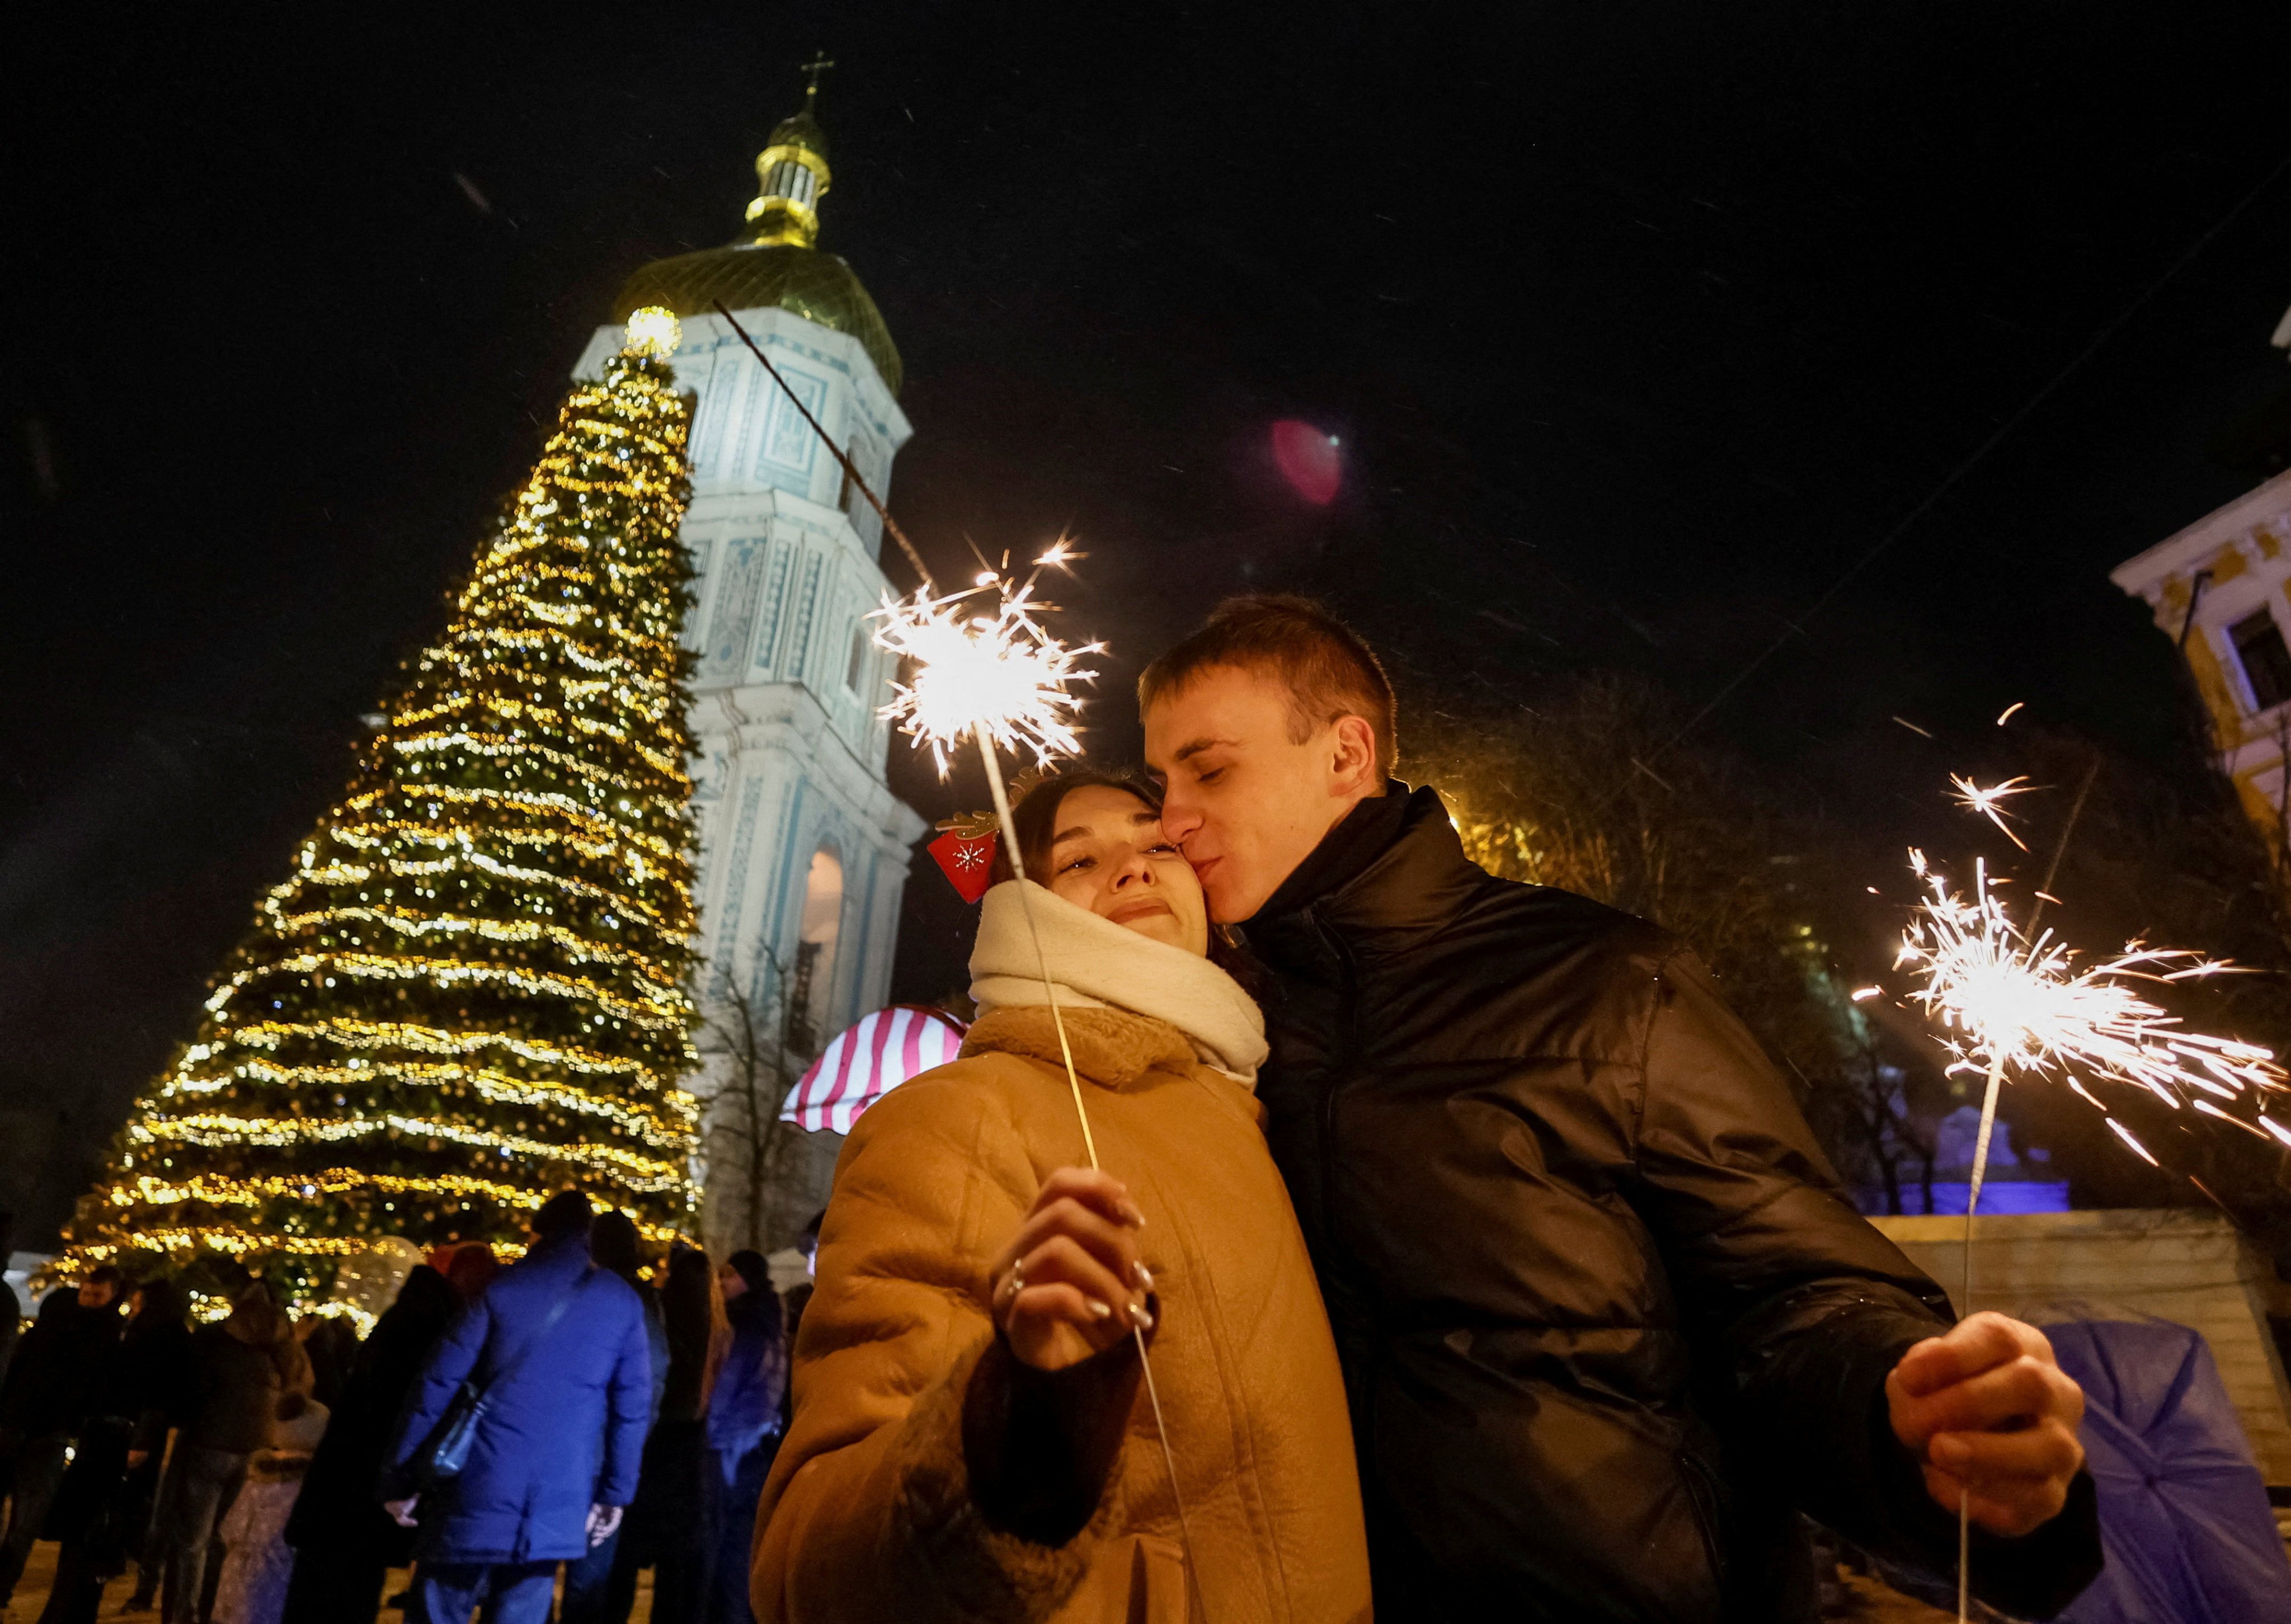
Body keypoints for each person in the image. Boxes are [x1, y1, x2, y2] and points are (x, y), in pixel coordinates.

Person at [1139, 595, 2104, 1622]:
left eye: (1210, 768)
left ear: (1345, 753)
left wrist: (1905, 1417)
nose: (1171, 817)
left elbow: (1791, 1294)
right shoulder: (1223, 1035)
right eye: (1159, 783)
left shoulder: (1600, 979)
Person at [752, 768, 1372, 1622]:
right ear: (1020, 910)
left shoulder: (1261, 1111)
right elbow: (809, 1564)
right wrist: (1016, 1435)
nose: (1133, 866)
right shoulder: (959, 1116)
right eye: (1077, 860)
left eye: (1159, 841)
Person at [383, 1190, 651, 1624]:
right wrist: (615, 1492)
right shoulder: (620, 1301)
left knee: (440, 1605)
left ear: (537, 1232)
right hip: (559, 1497)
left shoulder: (502, 1290)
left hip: (478, 1487)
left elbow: (437, 1384)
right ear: (589, 1235)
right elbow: (632, 1409)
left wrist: (401, 1474)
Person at [280, 1264, 459, 1624]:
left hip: (345, 1488)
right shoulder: (425, 1327)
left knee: (329, 1585)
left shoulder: (408, 1319)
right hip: (360, 1489)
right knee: (344, 1587)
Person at [149, 1284, 312, 1624]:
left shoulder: (215, 1345)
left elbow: (192, 1393)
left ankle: (182, 1614)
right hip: (257, 1449)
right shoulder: (285, 1352)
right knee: (224, 1541)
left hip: (209, 1445)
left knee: (193, 1541)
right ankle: (213, 1610)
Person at [38, 1277, 192, 1624]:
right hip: (117, 1442)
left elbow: (154, 1396)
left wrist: (139, 1441)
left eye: (137, 1305)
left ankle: (68, 1609)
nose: (132, 1311)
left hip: (117, 1444)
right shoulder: (159, 1337)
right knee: (95, 1533)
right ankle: (75, 1607)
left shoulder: (152, 1340)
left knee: (92, 1531)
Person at [603, 1245, 727, 1624]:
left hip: (657, 1435)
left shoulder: (663, 1308)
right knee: (677, 1561)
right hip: (694, 1440)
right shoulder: (719, 1320)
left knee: (626, 1549)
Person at [558, 1213, 667, 1624]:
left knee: (574, 1579)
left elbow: (643, 1392)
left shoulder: (606, 1298)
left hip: (586, 1454)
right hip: (598, 1454)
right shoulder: (638, 1303)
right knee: (586, 1576)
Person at [0, 1265, 127, 1609]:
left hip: (50, 1436)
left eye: (97, 1295)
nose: (89, 1300)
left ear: (113, 1295)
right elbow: (16, 1371)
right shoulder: (53, 1325)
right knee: (22, 1518)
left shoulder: (109, 1337)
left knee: (26, 1521)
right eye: (87, 1292)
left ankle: (3, 1586)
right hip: (18, 1428)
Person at [702, 1251, 782, 1624]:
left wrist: (710, 1437)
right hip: (758, 1449)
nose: (722, 1283)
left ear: (748, 1278)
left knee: (727, 1552)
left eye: (730, 1276)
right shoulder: (772, 1323)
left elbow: (725, 1390)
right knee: (744, 1548)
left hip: (733, 1450)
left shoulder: (743, 1328)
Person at [210, 1388, 330, 1624]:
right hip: (281, 1583)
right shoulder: (310, 1487)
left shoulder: (256, 1480)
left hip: (237, 1584)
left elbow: (230, 1529)